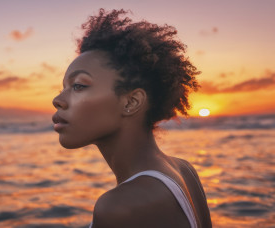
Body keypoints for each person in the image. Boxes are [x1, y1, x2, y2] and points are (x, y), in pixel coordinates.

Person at [52, 9, 212, 228]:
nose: (58, 100)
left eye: (79, 85)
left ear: (131, 102)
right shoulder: (185, 171)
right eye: (64, 87)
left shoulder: (119, 207)